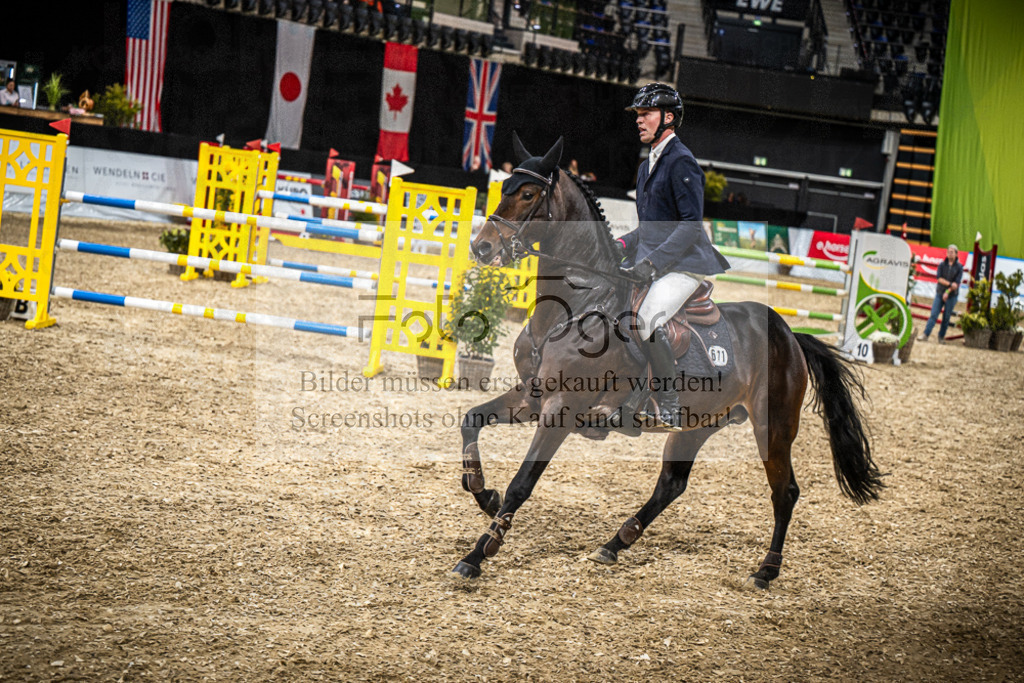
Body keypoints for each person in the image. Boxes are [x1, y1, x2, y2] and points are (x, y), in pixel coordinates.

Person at [617, 82, 731, 427]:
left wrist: (652, 264)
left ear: (668, 118)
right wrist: (621, 245)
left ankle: (669, 404)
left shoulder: (681, 161)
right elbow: (651, 228)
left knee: (649, 317)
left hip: (685, 264)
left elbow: (690, 227)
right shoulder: (645, 166)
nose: (639, 120)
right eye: (637, 115)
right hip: (660, 259)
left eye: (646, 114)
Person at [920, 244, 964, 343]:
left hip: (952, 296)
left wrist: (947, 291)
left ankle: (941, 337)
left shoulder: (959, 267)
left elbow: (956, 284)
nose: (949, 253)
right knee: (933, 314)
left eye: (952, 252)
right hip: (940, 293)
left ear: (956, 254)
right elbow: (939, 279)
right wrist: (949, 284)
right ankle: (926, 334)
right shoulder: (942, 264)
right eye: (948, 251)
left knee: (946, 317)